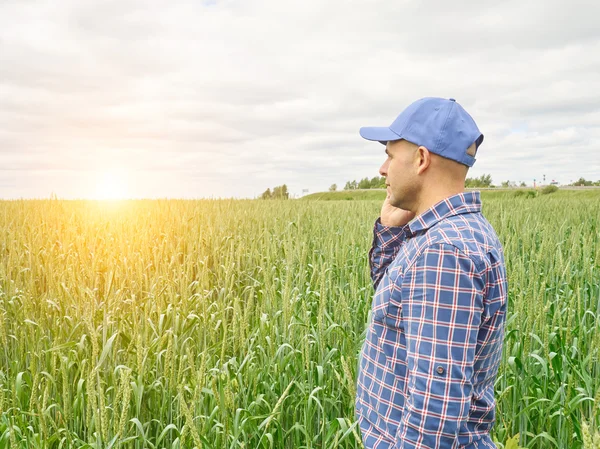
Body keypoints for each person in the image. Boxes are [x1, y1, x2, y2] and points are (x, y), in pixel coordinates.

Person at [355, 97, 508, 449]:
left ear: (421, 159)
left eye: (391, 155)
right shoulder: (446, 234)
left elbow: (434, 416)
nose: (382, 168)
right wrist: (391, 231)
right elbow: (401, 309)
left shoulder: (443, 252)